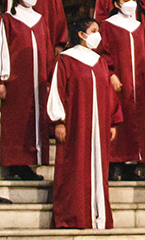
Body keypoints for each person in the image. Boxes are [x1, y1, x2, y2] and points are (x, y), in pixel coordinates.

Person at [47, 17, 123, 229]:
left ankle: (97, 216)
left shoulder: (99, 61)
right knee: (74, 168)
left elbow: (108, 94)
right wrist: (58, 121)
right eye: (94, 30)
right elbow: (56, 90)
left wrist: (112, 122)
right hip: (75, 124)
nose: (98, 34)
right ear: (81, 34)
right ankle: (74, 215)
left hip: (98, 126)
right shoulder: (65, 59)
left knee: (99, 169)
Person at [0, 0, 51, 181]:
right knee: (17, 121)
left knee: (35, 120)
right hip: (17, 80)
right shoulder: (7, 19)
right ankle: (15, 162)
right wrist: (1, 79)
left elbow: (47, 50)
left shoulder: (40, 19)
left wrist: (50, 77)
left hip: (38, 80)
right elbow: (2, 50)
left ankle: (31, 161)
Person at [100, 0, 145, 182]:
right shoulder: (107, 26)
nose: (131, 3)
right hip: (117, 81)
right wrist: (110, 73)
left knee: (135, 122)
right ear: (116, 4)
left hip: (137, 84)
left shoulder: (138, 26)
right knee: (118, 120)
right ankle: (112, 164)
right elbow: (102, 51)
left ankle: (131, 165)